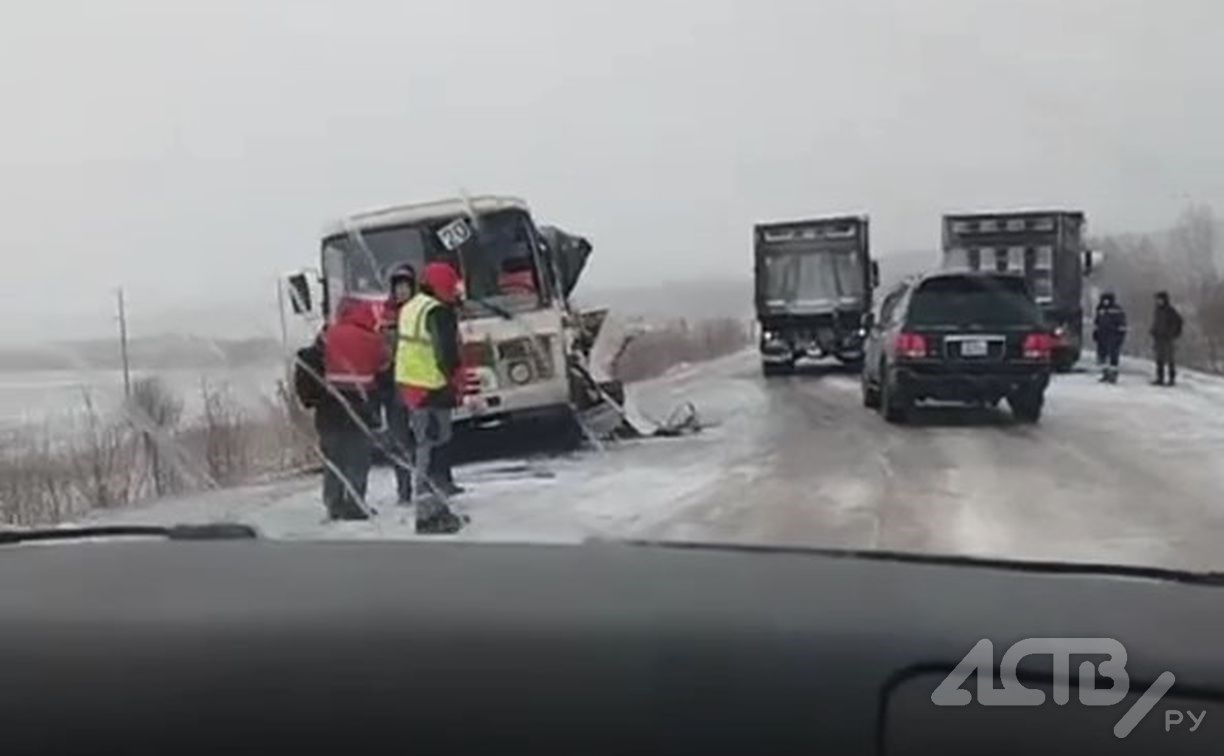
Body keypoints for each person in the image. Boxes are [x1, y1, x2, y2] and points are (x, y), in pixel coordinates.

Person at [396, 261, 467, 534]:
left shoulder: (411, 307)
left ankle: (430, 496)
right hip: (431, 385)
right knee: (434, 443)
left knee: (425, 442)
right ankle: (428, 505)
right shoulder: (437, 312)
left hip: (411, 384)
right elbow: (445, 352)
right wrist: (455, 379)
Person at [317, 300, 388, 521]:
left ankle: (333, 502)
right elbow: (383, 365)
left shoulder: (329, 334)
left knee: (334, 456)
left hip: (330, 404)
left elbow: (314, 359)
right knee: (358, 457)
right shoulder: (373, 340)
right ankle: (355, 504)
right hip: (360, 404)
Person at [378, 263, 417, 505]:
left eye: (406, 286)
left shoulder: (421, 312)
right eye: (398, 287)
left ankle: (430, 483)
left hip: (420, 385)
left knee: (426, 440)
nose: (402, 291)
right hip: (394, 389)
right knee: (400, 441)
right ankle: (404, 489)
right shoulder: (384, 317)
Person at [1092, 292, 1127, 384]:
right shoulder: (1100, 309)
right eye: (1104, 300)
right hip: (1102, 336)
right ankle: (1105, 374)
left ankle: (1113, 375)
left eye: (1107, 300)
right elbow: (1097, 322)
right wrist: (1095, 333)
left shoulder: (1117, 310)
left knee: (1113, 357)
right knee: (1102, 356)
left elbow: (1122, 324)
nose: (1105, 302)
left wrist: (1120, 337)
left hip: (1113, 336)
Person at [1150, 290, 1184, 386]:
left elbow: (1178, 322)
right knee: (1159, 359)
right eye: (1157, 299)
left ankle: (1171, 379)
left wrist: (1172, 333)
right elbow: (1156, 322)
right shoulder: (1157, 310)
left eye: (1159, 299)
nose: (1157, 301)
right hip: (1158, 338)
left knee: (1170, 359)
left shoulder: (1170, 311)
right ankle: (1160, 378)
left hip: (1168, 339)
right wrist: (1153, 330)